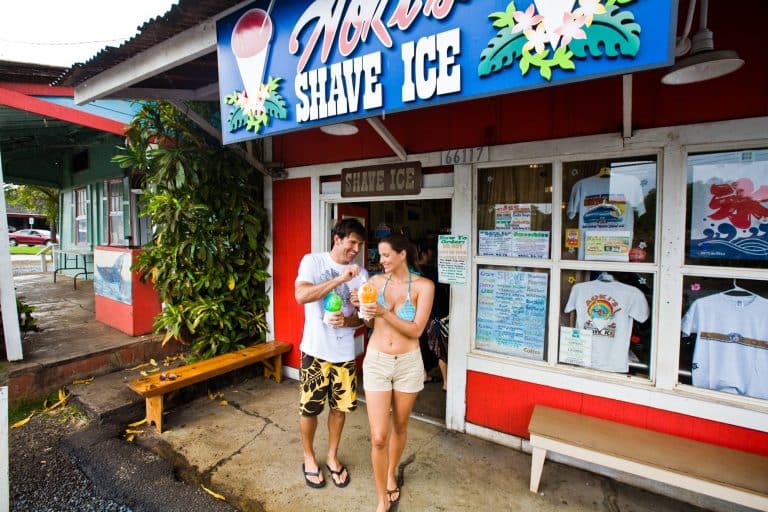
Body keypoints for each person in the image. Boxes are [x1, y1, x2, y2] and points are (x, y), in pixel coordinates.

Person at [359, 234, 434, 512]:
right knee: (379, 436)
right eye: (380, 255)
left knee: (400, 426)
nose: (381, 260)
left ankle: (391, 472)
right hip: (377, 361)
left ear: (402, 254)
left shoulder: (424, 286)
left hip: (408, 364)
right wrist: (365, 311)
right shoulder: (375, 282)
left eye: (386, 255)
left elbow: (416, 330)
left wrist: (383, 312)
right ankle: (381, 498)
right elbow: (368, 323)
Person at [294, 218, 368, 489]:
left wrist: (354, 315)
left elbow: (364, 320)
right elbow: (301, 296)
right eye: (352, 242)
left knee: (339, 409)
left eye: (360, 245)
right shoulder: (313, 261)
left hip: (344, 353)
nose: (356, 249)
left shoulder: (361, 274)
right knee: (310, 409)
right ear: (337, 238)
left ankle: (332, 457)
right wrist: (340, 278)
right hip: (315, 350)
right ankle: (309, 457)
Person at [418, 235, 450, 391]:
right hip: (437, 315)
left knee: (422, 345)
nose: (434, 255)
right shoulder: (432, 271)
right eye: (432, 252)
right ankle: (446, 383)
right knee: (442, 348)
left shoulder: (413, 272)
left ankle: (424, 374)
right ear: (424, 253)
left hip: (422, 315)